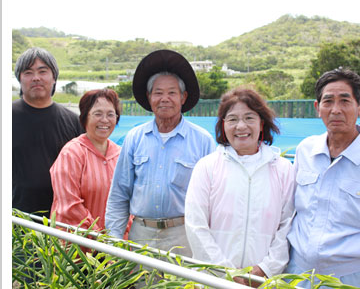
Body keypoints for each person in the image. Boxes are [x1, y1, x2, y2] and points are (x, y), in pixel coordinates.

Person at [105, 50, 216, 257]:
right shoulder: (134, 138)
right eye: (158, 93)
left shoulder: (203, 141)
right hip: (142, 235)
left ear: (183, 97)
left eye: (172, 93)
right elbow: (119, 194)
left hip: (184, 235)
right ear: (149, 98)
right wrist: (114, 242)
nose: (165, 99)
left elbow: (215, 200)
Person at [184, 87, 295, 285]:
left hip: (266, 281)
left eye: (249, 118)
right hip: (215, 279)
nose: (241, 126)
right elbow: (196, 226)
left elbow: (288, 225)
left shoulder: (283, 169)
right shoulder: (207, 167)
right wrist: (225, 272)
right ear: (223, 125)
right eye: (233, 119)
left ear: (262, 123)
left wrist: (265, 269)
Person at [285, 68, 360, 288]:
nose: (336, 110)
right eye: (328, 101)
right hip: (297, 275)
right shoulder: (305, 150)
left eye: (345, 101)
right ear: (317, 107)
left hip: (352, 279)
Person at [50, 89, 132, 238]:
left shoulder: (121, 154)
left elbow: (130, 200)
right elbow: (69, 205)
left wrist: (117, 233)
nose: (105, 120)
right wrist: (98, 236)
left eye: (110, 114)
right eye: (98, 114)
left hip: (115, 248)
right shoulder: (72, 153)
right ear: (85, 117)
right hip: (77, 247)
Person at [13, 47, 83, 219]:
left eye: (42, 71)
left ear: (54, 78)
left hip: (61, 220)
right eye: (28, 72)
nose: (36, 78)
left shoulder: (74, 121)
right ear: (20, 79)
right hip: (14, 218)